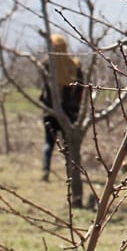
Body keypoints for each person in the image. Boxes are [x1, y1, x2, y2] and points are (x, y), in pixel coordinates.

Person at [40, 33, 84, 181]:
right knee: (69, 144)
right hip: (69, 111)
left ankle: (45, 170)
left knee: (48, 143)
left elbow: (45, 88)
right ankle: (71, 172)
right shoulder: (75, 65)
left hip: (50, 111)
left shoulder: (46, 65)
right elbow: (80, 89)